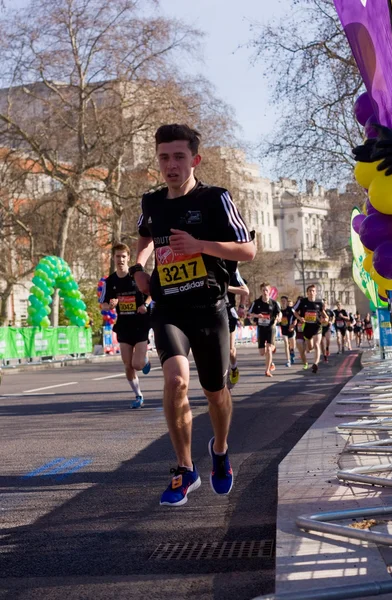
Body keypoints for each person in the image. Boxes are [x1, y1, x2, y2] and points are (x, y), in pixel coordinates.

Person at [132, 123, 255, 507]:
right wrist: (139, 268)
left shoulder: (215, 199)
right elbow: (145, 238)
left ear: (194, 159)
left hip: (209, 307)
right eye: (165, 157)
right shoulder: (152, 203)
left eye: (179, 157)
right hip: (169, 307)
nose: (171, 165)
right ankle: (185, 470)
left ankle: (219, 450)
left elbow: (248, 251)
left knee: (215, 394)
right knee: (175, 382)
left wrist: (200, 245)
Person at [100, 243, 151, 409]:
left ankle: (145, 359)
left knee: (137, 364)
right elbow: (104, 305)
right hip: (123, 326)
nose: (120, 259)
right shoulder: (110, 281)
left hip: (141, 324)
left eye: (123, 256)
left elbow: (152, 293)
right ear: (113, 258)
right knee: (128, 365)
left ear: (128, 258)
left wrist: (145, 305)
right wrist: (111, 305)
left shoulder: (136, 276)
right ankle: (138, 395)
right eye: (117, 256)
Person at [248, 283, 281, 377]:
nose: (265, 292)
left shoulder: (274, 303)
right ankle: (271, 360)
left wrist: (278, 317)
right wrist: (257, 316)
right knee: (262, 352)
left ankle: (267, 371)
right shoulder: (256, 302)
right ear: (261, 291)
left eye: (267, 290)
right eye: (263, 290)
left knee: (269, 349)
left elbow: (279, 313)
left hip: (270, 327)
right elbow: (249, 314)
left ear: (270, 291)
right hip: (261, 328)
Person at [225, 261, 249, 388]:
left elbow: (244, 290)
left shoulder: (231, 269)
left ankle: (233, 368)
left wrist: (241, 306)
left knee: (230, 351)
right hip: (210, 313)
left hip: (228, 311)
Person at [293, 284, 327, 374]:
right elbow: (294, 311)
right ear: (307, 293)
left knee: (316, 344)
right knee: (310, 347)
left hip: (317, 327)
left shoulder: (319, 302)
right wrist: (300, 318)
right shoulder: (302, 301)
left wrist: (326, 318)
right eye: (310, 291)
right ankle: (310, 349)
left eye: (313, 291)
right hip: (307, 327)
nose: (311, 293)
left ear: (315, 293)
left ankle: (315, 364)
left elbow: (324, 314)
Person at [280, 296, 296, 367]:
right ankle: (288, 361)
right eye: (282, 301)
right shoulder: (279, 310)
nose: (283, 302)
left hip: (291, 329)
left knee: (292, 345)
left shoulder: (291, 309)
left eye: (284, 301)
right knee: (286, 344)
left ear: (287, 302)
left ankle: (292, 353)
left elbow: (296, 318)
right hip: (283, 330)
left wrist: (292, 326)